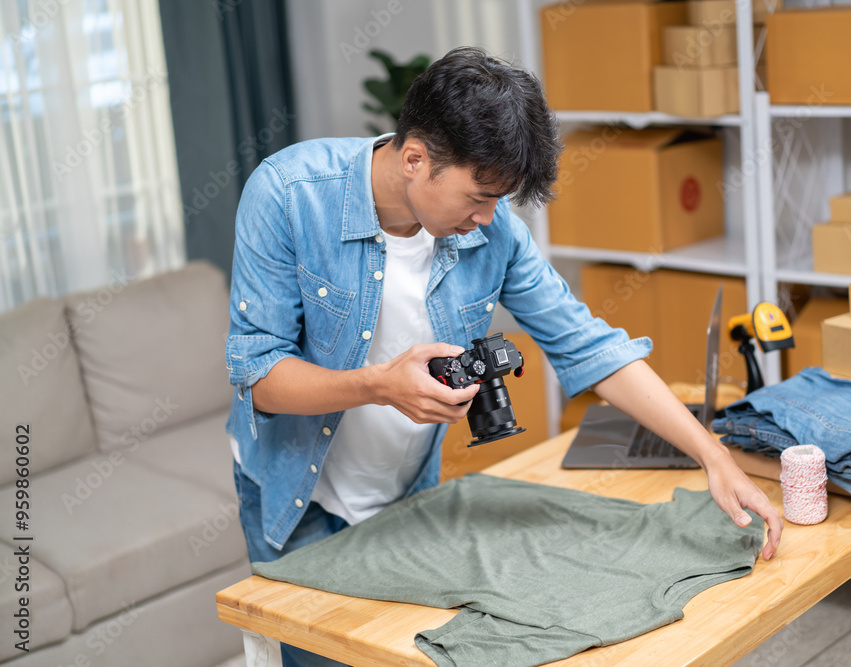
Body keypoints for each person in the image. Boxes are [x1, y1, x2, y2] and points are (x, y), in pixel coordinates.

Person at [226, 46, 782, 666]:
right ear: (415, 159)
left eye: (501, 200)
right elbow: (260, 377)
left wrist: (712, 455)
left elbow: (587, 343)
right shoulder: (287, 194)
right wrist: (381, 385)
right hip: (295, 496)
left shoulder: (491, 230)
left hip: (409, 490)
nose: (487, 218)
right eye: (479, 196)